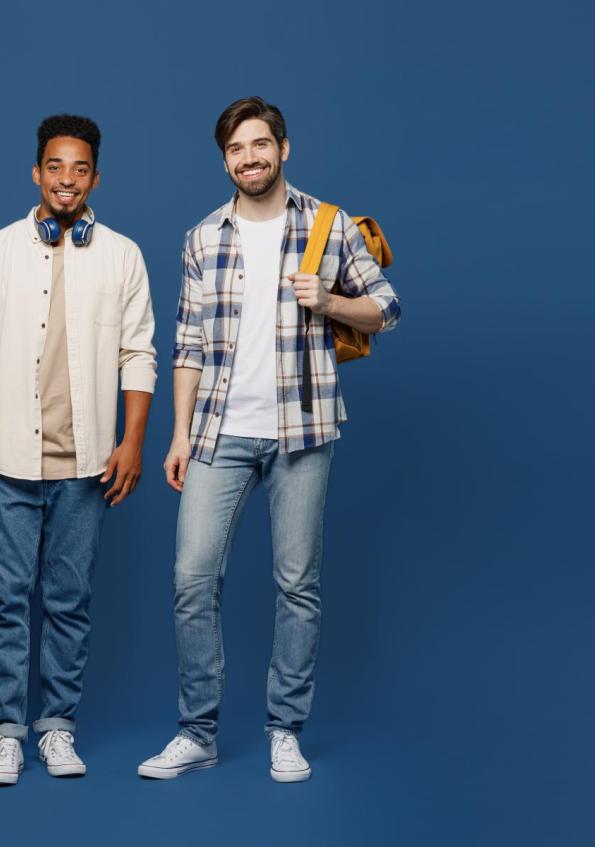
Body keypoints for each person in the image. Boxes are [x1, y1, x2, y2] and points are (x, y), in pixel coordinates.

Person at [137, 96, 401, 783]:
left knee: (297, 585)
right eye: (236, 149)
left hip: (302, 430)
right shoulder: (203, 237)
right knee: (192, 578)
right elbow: (187, 344)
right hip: (219, 431)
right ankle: (197, 732)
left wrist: (330, 301)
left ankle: (285, 728)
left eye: (260, 145)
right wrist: (178, 435)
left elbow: (387, 308)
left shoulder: (327, 224)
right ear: (225, 159)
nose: (249, 158)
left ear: (285, 148)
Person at [0, 114, 157, 786]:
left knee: (69, 598)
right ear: (36, 172)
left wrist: (132, 441)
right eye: (55, 167)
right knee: (7, 597)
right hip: (6, 455)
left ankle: (57, 727)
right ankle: (5, 731)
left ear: (95, 176)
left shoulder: (123, 255)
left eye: (80, 168)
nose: (67, 179)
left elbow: (138, 353)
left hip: (88, 461)